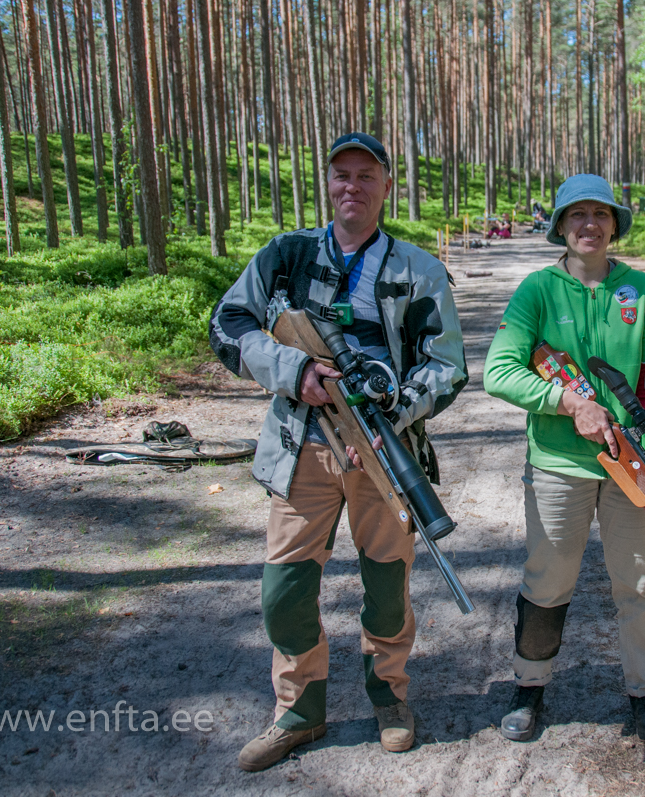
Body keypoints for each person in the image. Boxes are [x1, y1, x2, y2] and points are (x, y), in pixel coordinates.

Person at [209, 132, 468, 770]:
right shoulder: (286, 255)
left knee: (387, 583)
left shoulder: (419, 269)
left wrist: (388, 407)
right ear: (328, 182)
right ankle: (299, 710)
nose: (352, 185)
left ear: (386, 186)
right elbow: (228, 325)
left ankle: (389, 696)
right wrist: (293, 370)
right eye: (341, 174)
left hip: (383, 452)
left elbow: (448, 366)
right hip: (301, 446)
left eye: (366, 175)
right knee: (285, 587)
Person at [484, 174, 645, 743]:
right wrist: (567, 402)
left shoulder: (641, 290)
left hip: (631, 462)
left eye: (600, 213)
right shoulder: (537, 290)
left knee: (641, 581)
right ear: (561, 227)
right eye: (576, 215)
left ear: (615, 223)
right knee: (548, 580)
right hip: (558, 465)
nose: (589, 224)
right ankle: (529, 686)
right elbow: (500, 371)